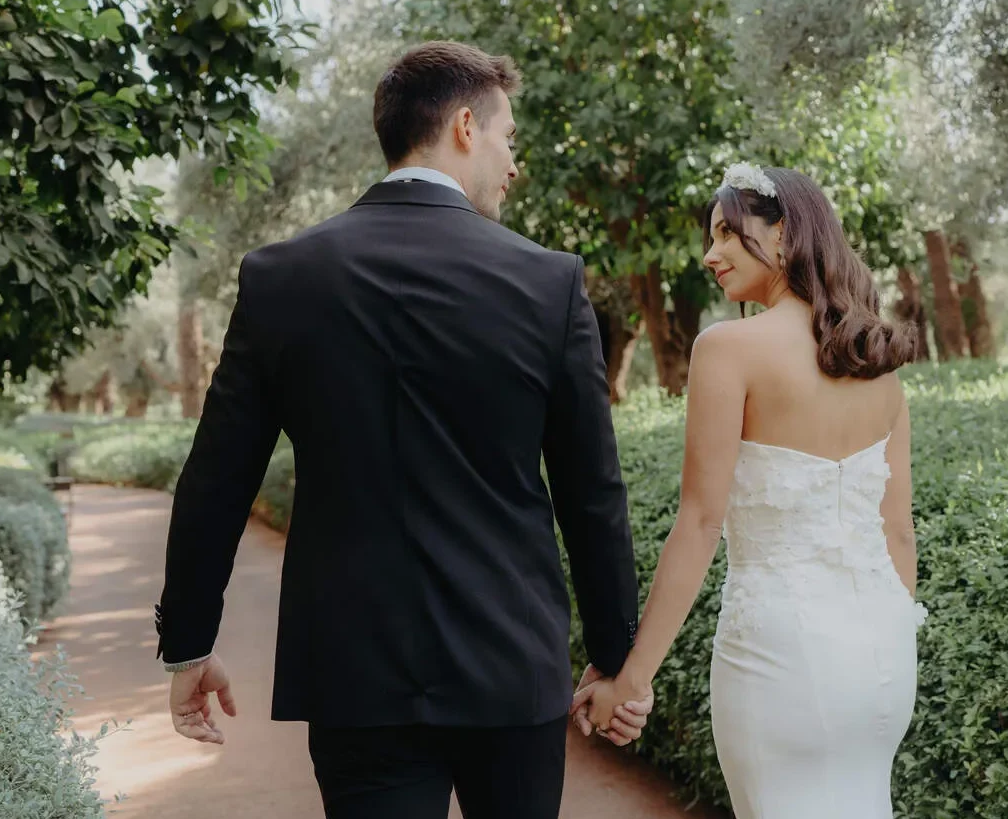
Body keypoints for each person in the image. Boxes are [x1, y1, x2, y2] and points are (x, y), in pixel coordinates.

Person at [155, 40, 651, 819]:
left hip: (356, 675)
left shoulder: (282, 277)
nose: (513, 162)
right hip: (510, 666)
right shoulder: (547, 282)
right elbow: (593, 493)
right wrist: (618, 659)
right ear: (463, 126)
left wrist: (188, 641)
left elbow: (217, 477)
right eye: (507, 137)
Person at [572, 163, 927, 817]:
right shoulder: (879, 363)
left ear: (785, 234)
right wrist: (887, 637)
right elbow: (897, 531)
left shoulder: (728, 348)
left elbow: (700, 522)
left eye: (728, 235)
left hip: (781, 662)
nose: (711, 254)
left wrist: (631, 679)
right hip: (882, 659)